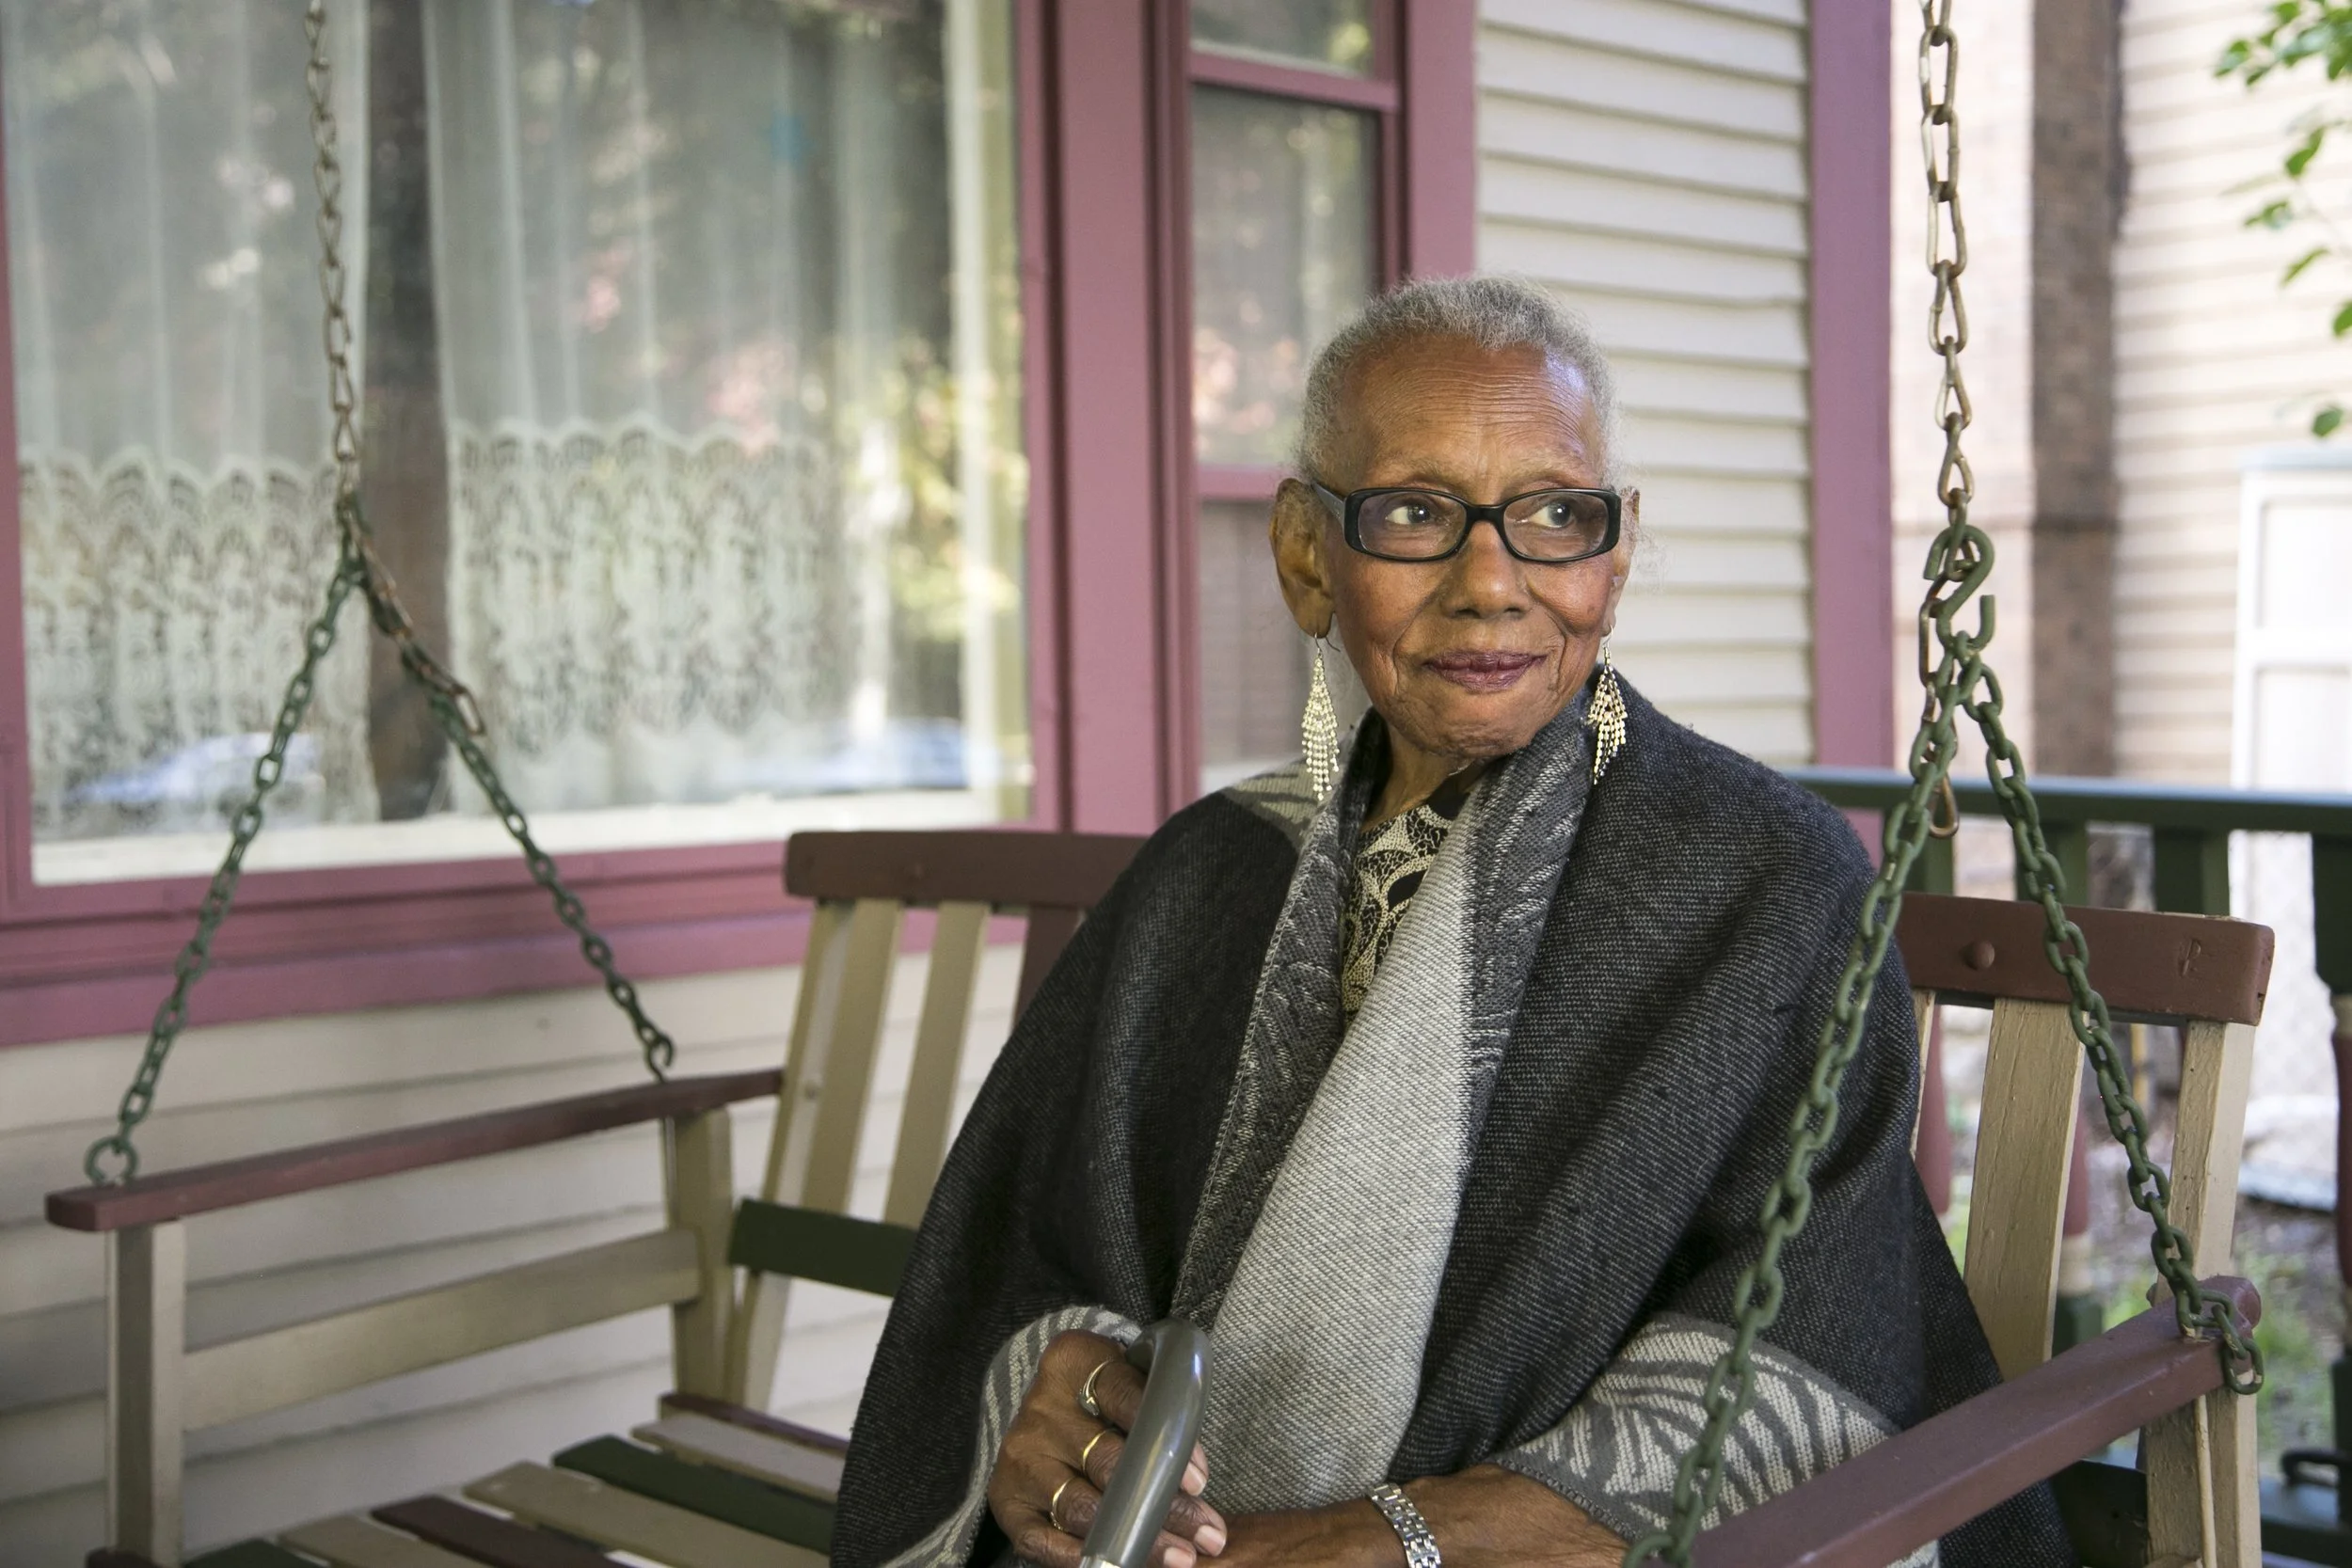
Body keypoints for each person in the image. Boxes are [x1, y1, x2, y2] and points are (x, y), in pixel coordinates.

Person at [832, 276, 2072, 1568]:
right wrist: (1053, 1394)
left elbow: (1804, 1348)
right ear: (1309, 556)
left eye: (1555, 514)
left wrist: (1384, 1539)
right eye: (1417, 513)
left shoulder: (1762, 881)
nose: (1492, 581)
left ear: (1617, 552)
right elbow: (1018, 1263)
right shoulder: (1202, 879)